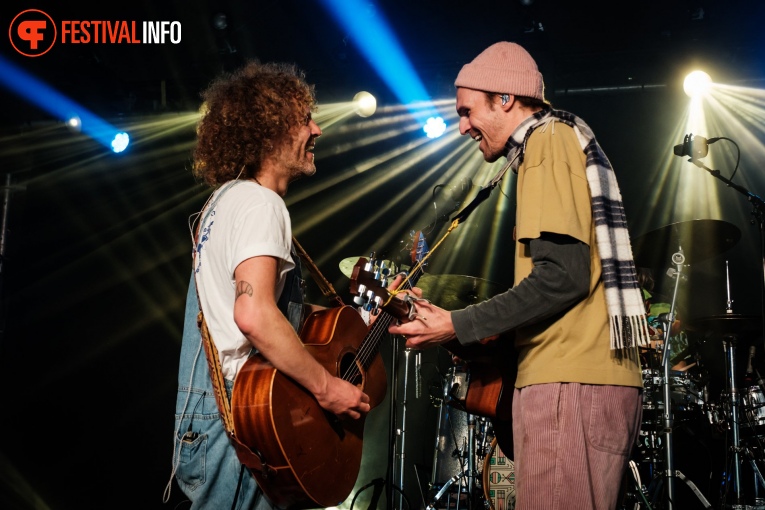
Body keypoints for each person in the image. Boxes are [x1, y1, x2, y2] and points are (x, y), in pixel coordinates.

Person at [389, 42, 650, 509]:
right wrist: (456, 326)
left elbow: (560, 279)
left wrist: (456, 324)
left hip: (569, 386)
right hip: (580, 383)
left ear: (505, 98)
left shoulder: (548, 140)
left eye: (468, 111)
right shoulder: (552, 144)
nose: (462, 125)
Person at [166, 60, 371, 509]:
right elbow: (252, 313)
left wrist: (355, 320)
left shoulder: (224, 199)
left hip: (207, 415)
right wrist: (326, 387)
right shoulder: (261, 205)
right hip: (242, 425)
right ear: (271, 130)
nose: (317, 130)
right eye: (304, 120)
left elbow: (248, 306)